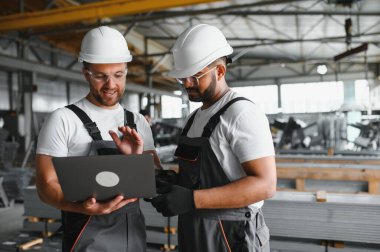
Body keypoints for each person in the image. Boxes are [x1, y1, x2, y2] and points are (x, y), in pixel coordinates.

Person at [149, 24, 277, 252]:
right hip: (194, 231)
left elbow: (265, 185)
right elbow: (202, 178)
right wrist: (173, 182)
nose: (187, 84)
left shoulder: (241, 113)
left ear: (219, 71)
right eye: (182, 78)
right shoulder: (193, 119)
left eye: (195, 76)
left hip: (232, 234)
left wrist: (191, 200)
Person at [35, 26, 161, 252]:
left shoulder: (138, 122)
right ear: (86, 74)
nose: (111, 85)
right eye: (101, 76)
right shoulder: (63, 120)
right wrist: (83, 208)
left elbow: (155, 181)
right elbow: (46, 187)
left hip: (133, 237)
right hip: (87, 237)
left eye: (118, 75)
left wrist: (135, 160)